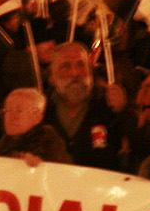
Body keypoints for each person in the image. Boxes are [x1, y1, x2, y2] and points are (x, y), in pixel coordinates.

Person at [44, 41, 137, 172]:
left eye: (81, 64)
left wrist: (122, 111)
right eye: (66, 66)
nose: (75, 72)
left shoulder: (109, 102)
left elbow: (139, 146)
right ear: (53, 74)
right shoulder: (41, 107)